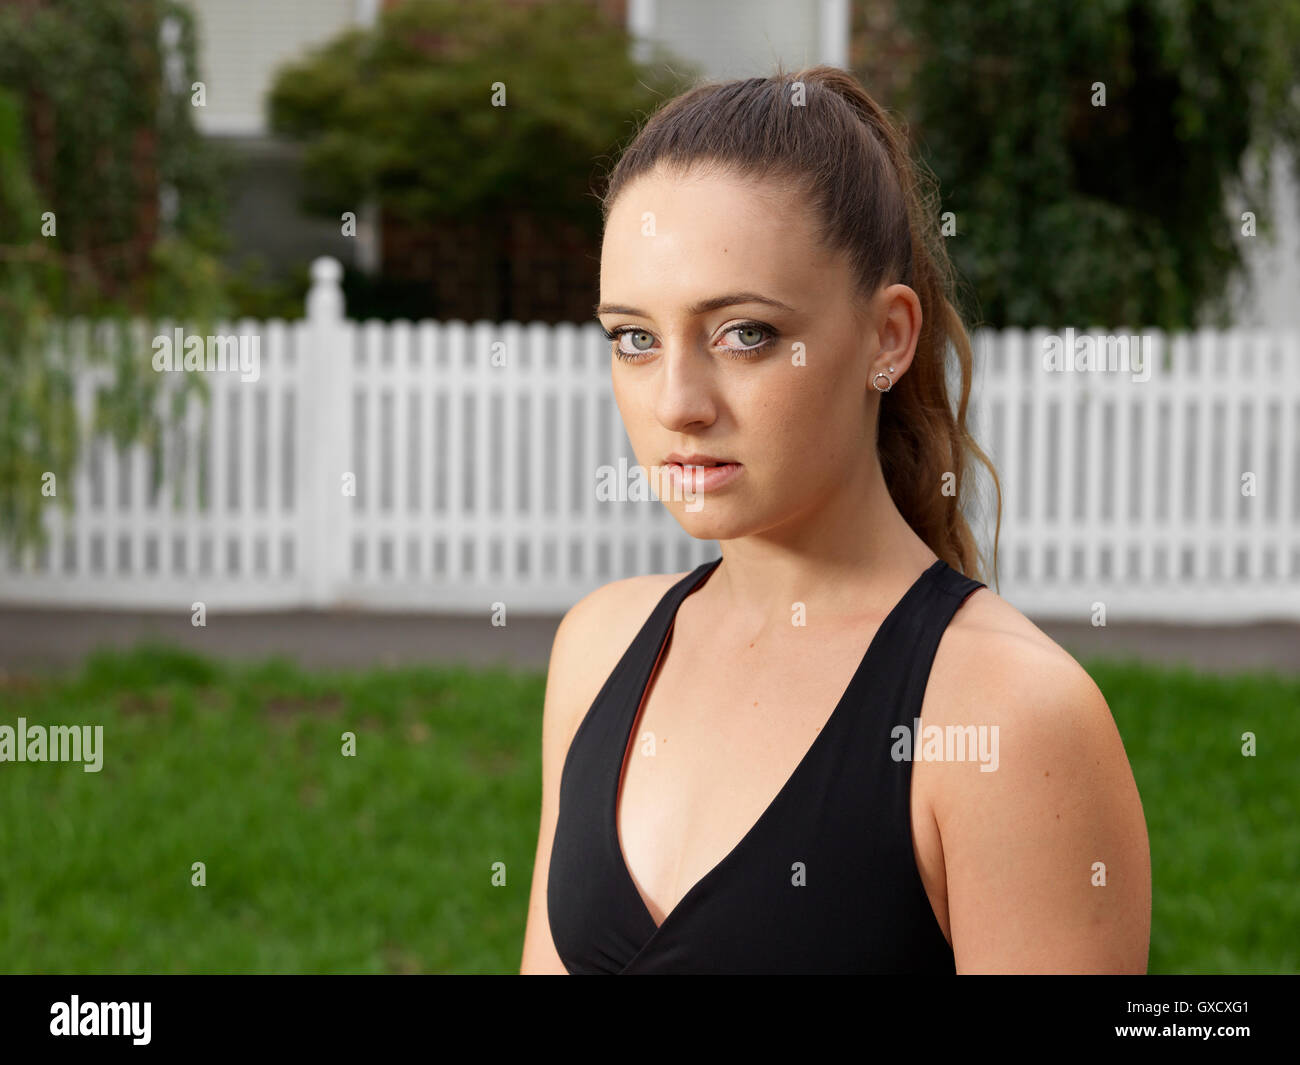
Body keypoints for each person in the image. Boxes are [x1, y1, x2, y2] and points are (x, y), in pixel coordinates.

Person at [519, 64, 1151, 974]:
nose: (678, 402)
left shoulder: (1007, 718)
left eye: (746, 333)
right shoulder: (599, 647)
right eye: (635, 337)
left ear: (889, 337)